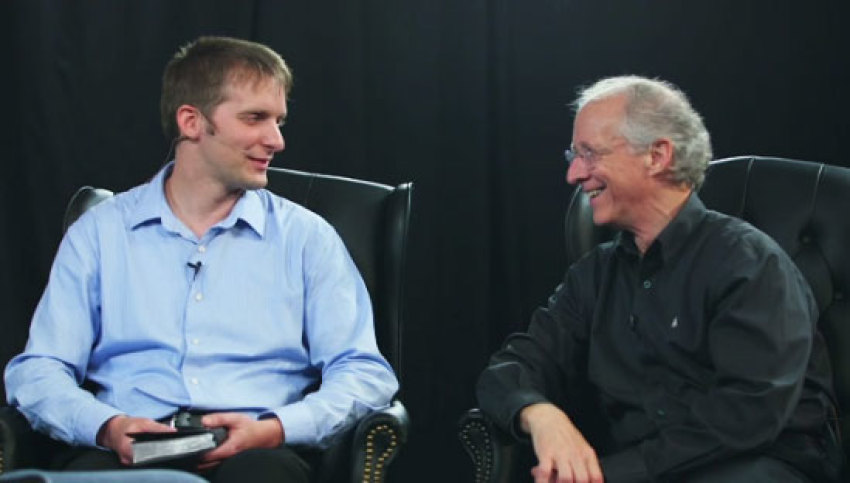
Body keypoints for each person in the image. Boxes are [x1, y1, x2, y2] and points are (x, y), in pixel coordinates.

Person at [4, 36, 398, 483]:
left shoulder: (307, 238)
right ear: (192, 121)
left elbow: (364, 372)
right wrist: (107, 427)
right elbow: (39, 370)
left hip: (259, 453)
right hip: (128, 452)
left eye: (279, 120)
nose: (276, 140)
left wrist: (275, 429)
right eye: (256, 118)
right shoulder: (99, 233)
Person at [476, 75, 842, 482]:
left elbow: (746, 417)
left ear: (657, 155)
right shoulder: (594, 276)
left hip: (754, 465)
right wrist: (539, 413)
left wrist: (610, 475)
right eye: (573, 156)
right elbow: (508, 370)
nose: (574, 175)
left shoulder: (751, 264)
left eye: (590, 154)